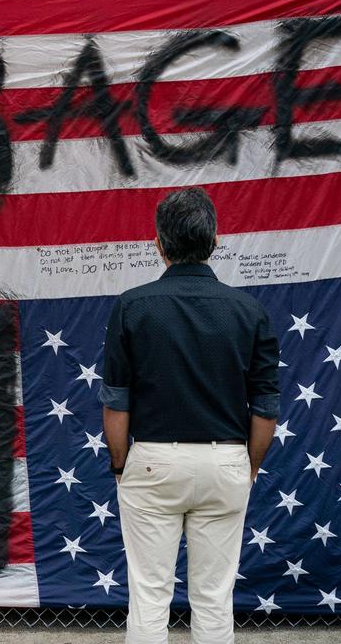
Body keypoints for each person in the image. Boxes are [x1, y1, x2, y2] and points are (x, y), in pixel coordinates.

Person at [100, 187, 279, 644]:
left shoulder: (133, 306)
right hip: (226, 462)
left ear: (158, 245)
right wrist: (249, 466)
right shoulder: (249, 311)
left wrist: (121, 465)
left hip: (154, 460)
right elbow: (265, 408)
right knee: (215, 597)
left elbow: (116, 402)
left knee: (149, 595)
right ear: (216, 240)